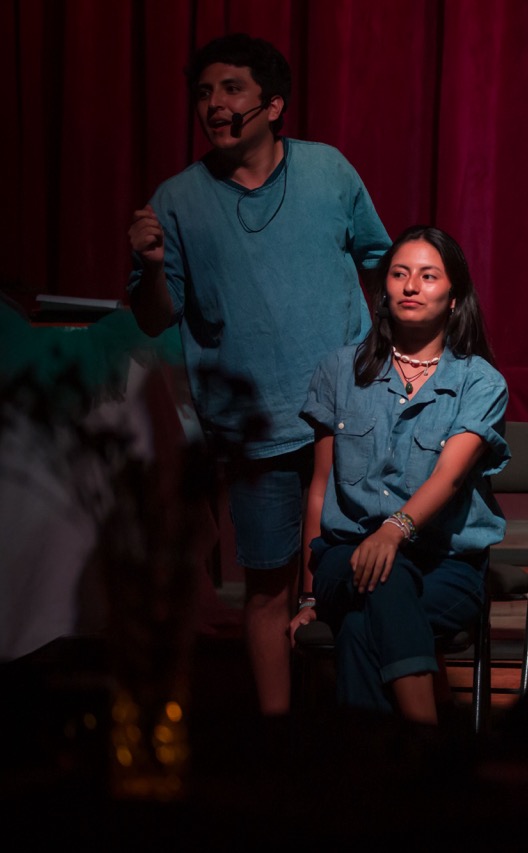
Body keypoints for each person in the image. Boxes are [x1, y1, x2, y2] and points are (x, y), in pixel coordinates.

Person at [126, 34, 391, 714]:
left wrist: (390, 368)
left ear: (273, 105)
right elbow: (155, 317)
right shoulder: (178, 199)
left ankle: (364, 729)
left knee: (360, 572)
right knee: (268, 589)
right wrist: (152, 266)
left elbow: (382, 262)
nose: (214, 104)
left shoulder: (327, 169)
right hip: (252, 430)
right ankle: (279, 740)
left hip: (348, 416)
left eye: (231, 89)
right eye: (203, 93)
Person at [289, 226, 508, 725]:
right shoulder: (339, 370)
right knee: (382, 575)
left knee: (362, 626)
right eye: (399, 274)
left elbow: (450, 476)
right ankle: (428, 748)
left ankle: (378, 765)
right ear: (384, 289)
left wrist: (394, 530)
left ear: (455, 297)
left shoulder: (480, 382)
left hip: (445, 564)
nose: (411, 286)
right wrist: (308, 595)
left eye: (428, 276)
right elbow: (320, 487)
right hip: (345, 558)